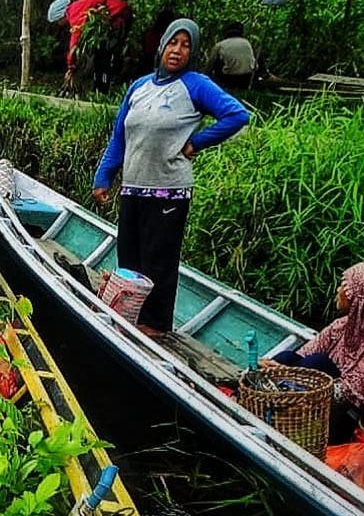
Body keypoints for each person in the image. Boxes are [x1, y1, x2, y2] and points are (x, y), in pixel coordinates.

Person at [92, 19, 249, 337]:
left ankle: (156, 324)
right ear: (162, 45)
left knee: (158, 260)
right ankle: (129, 315)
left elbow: (236, 115)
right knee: (129, 257)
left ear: (193, 52)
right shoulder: (139, 87)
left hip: (168, 191)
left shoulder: (196, 85)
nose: (177, 50)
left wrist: (196, 143)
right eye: (173, 43)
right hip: (133, 187)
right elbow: (120, 136)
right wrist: (103, 175)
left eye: (186, 45)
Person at [263, 260, 364, 440]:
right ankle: (261, 399)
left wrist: (289, 376)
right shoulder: (344, 325)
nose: (338, 290)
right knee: (287, 356)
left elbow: (349, 394)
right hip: (322, 398)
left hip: (352, 418)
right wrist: (275, 368)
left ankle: (279, 418)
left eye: (344, 287)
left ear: (359, 300)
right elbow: (304, 353)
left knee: (316, 362)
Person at [47, 0, 133, 94]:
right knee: (100, 54)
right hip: (116, 17)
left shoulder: (74, 12)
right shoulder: (76, 8)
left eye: (57, 21)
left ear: (60, 16)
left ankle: (107, 88)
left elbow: (75, 41)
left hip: (118, 16)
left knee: (105, 55)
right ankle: (101, 87)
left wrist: (71, 65)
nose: (58, 24)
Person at [209, 21, 256, 90]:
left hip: (230, 77)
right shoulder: (247, 42)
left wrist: (206, 74)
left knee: (217, 59)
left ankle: (220, 85)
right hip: (248, 77)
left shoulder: (221, 45)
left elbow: (210, 63)